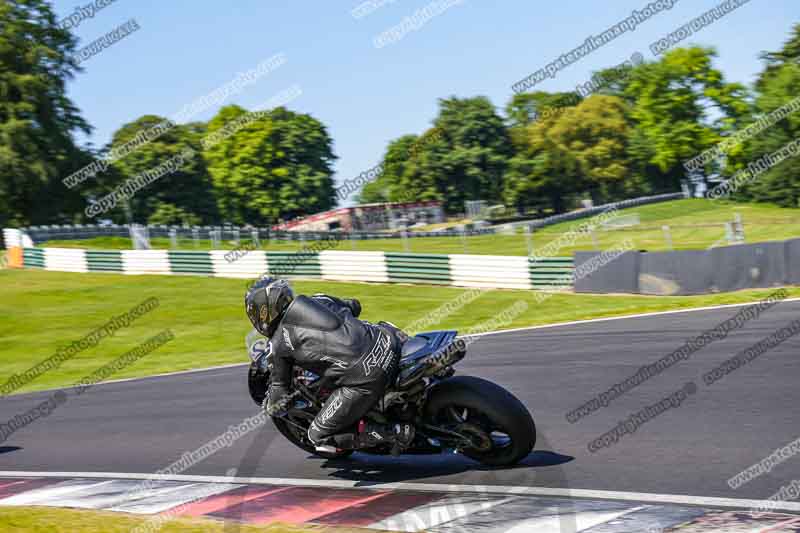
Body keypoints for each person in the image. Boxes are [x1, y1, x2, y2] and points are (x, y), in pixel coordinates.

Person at [245, 277, 414, 453]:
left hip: (368, 378)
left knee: (317, 436)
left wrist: (270, 406)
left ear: (264, 312)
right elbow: (354, 306)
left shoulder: (277, 345)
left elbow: (279, 395)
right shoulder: (318, 299)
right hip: (389, 341)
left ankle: (393, 432)